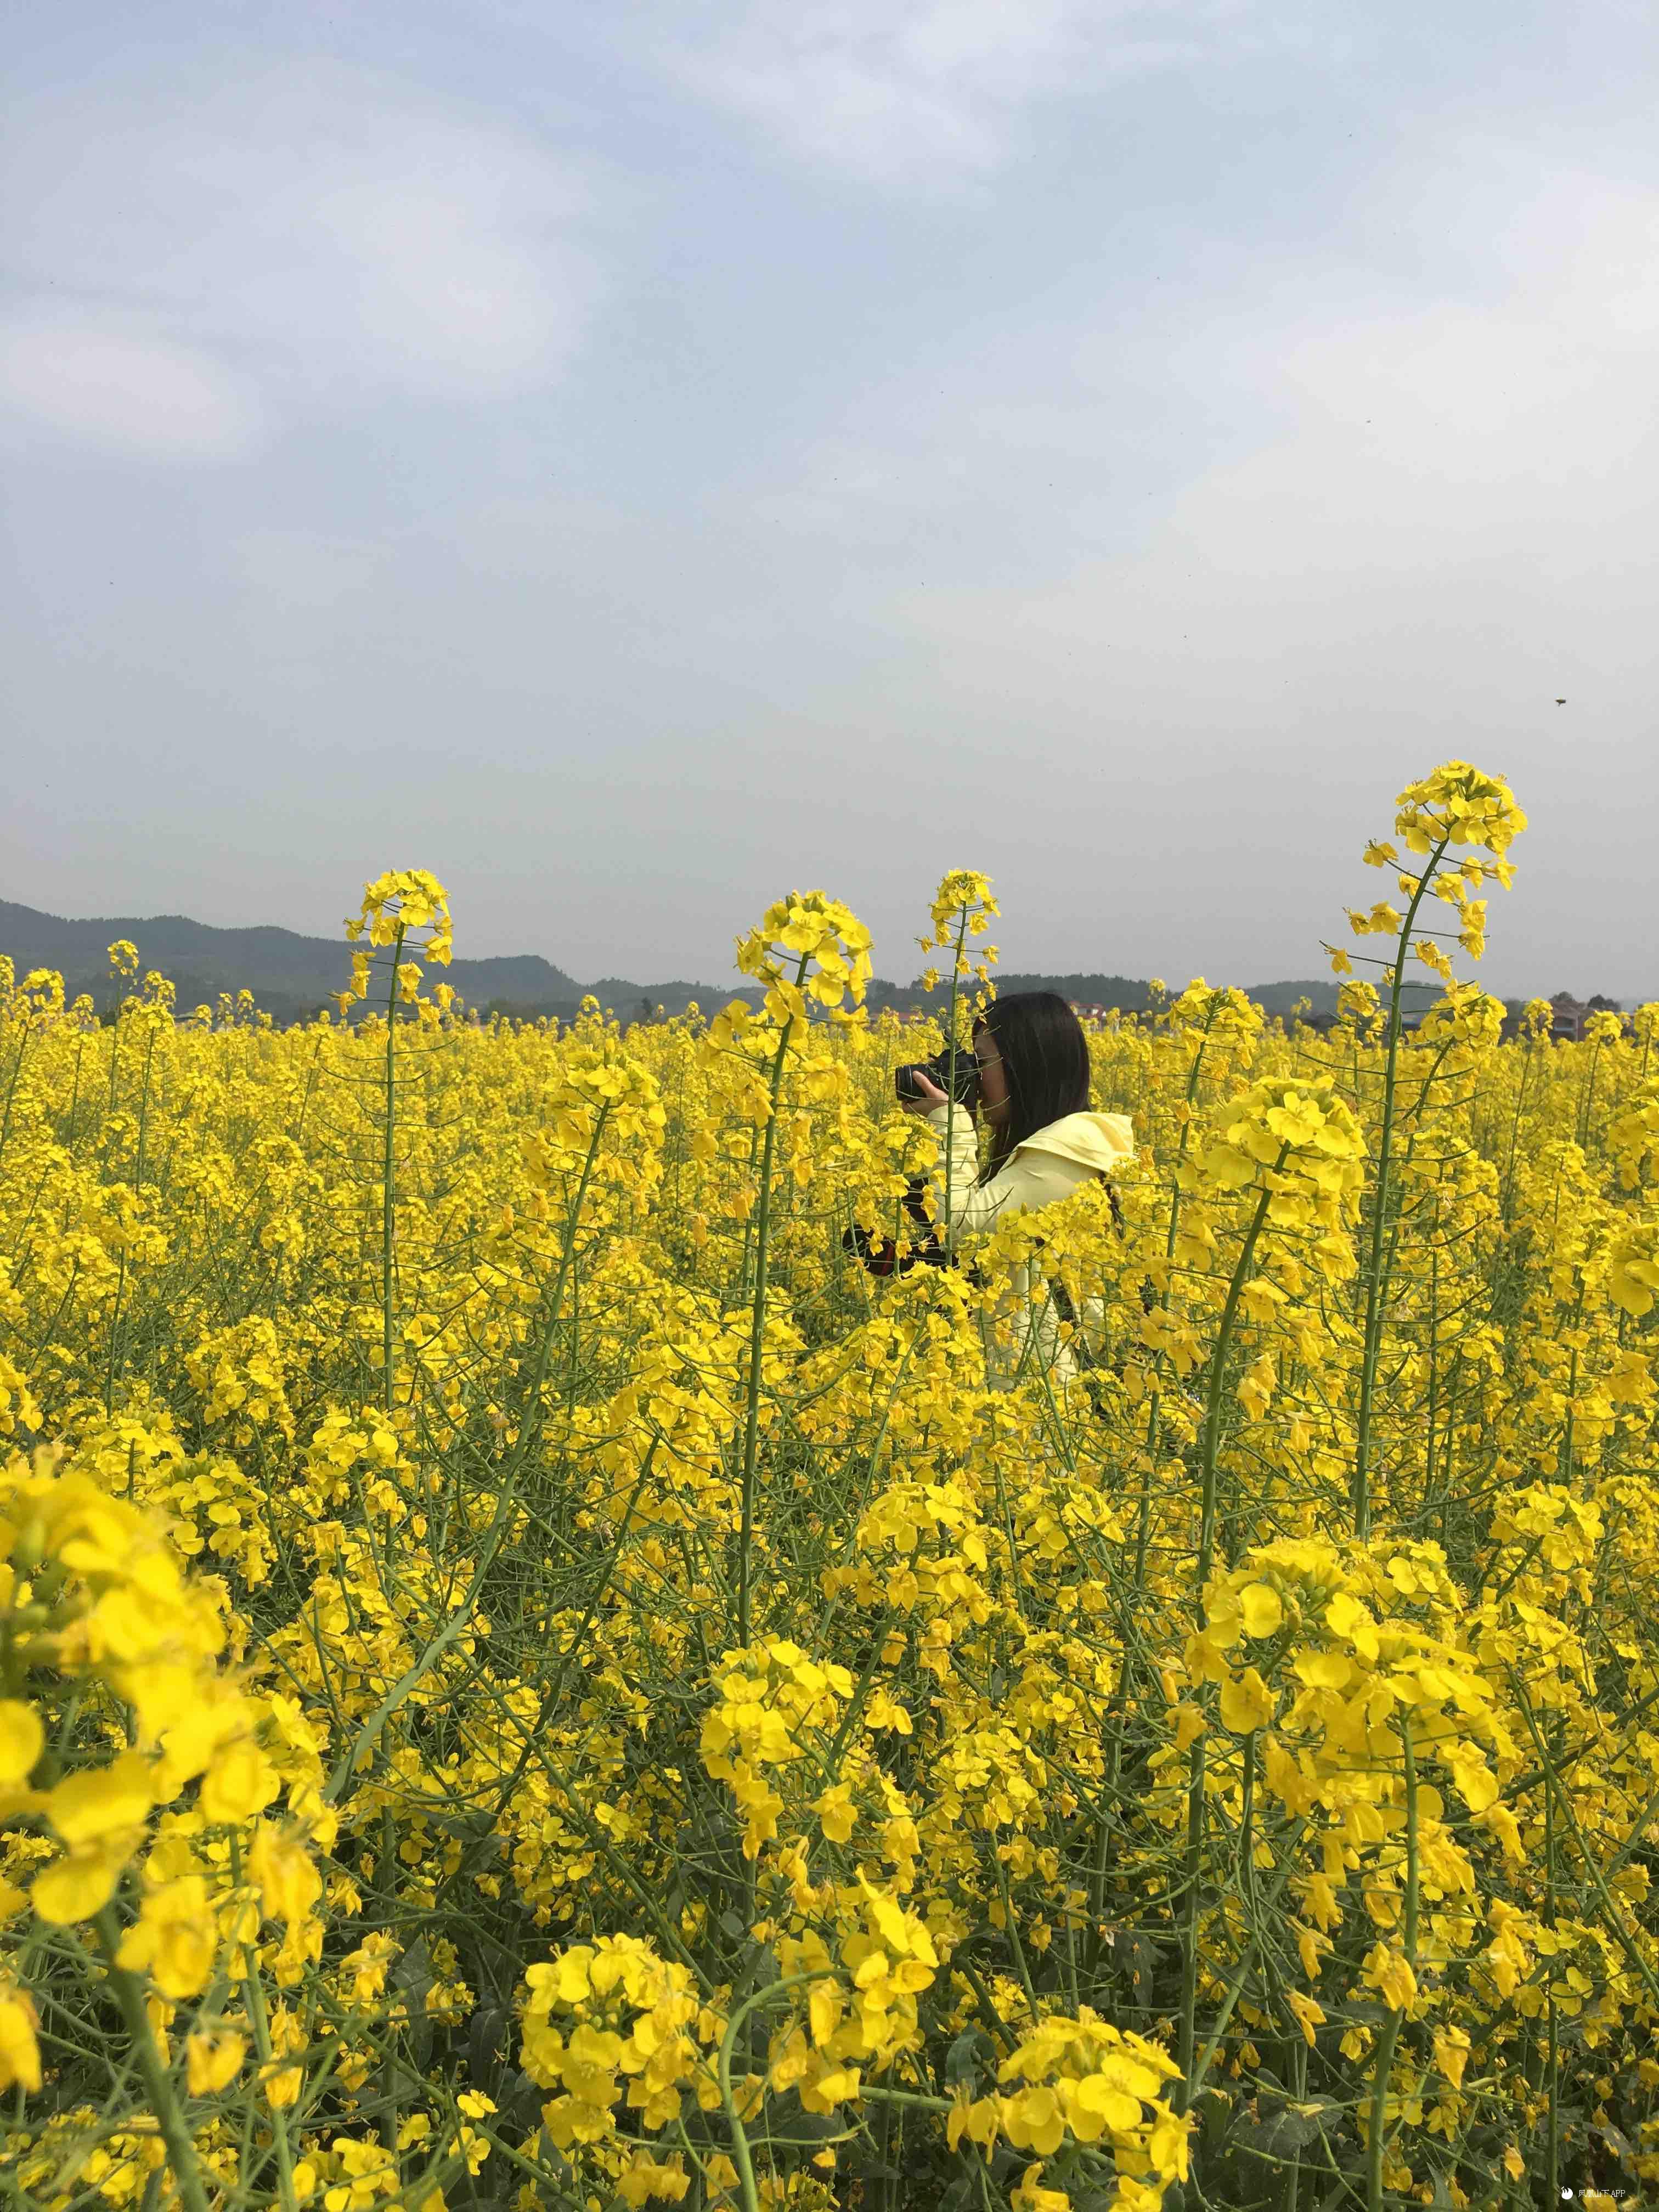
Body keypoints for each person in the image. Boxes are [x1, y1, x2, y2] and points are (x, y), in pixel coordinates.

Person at [899, 991, 1135, 1385]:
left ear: (1028, 1066)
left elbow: (959, 1230)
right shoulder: (1049, 1146)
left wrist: (952, 1124)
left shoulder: (1065, 1157)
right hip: (1024, 1388)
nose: (973, 1076)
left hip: (1052, 1407)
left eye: (983, 1062)